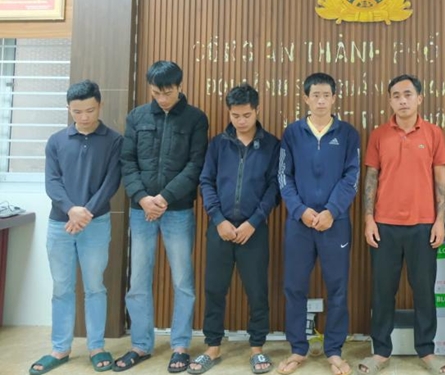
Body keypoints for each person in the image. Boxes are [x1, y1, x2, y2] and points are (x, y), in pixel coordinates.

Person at [115, 60, 209, 373]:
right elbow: (127, 161)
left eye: (167, 92)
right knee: (138, 280)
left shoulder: (196, 118)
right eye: (156, 93)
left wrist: (164, 197)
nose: (162, 98)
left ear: (180, 86)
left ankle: (180, 346)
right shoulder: (137, 116)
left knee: (183, 280)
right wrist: (143, 198)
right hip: (141, 210)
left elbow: (195, 165)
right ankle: (141, 345)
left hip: (177, 209)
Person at [358, 74, 445, 375]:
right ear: (390, 100)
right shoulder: (379, 135)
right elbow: (371, 178)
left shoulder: (434, 133)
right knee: (383, 292)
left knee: (424, 291)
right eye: (396, 95)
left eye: (408, 94)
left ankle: (426, 350)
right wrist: (368, 219)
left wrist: (440, 221)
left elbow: (441, 179)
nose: (402, 100)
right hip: (384, 226)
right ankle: (380, 351)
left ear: (419, 98)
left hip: (423, 225)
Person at [30, 80, 123, 375]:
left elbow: (111, 182)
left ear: (100, 105)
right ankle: (60, 348)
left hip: (96, 223)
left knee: (95, 287)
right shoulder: (56, 141)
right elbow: (52, 181)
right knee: (61, 288)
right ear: (69, 109)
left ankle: (96, 347)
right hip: (60, 224)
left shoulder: (114, 140)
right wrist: (72, 210)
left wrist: (86, 213)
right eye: (77, 111)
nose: (84, 117)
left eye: (90, 110)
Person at [188, 84, 280, 375]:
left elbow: (274, 187)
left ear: (257, 110)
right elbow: (206, 181)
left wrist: (254, 222)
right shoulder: (218, 144)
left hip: (254, 230)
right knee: (214, 289)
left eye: (246, 115)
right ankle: (212, 347)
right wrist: (218, 220)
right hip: (220, 229)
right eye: (235, 115)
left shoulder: (272, 145)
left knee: (257, 291)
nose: (241, 121)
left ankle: (257, 348)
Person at [277, 73, 360, 375]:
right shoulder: (292, 133)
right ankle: (298, 349)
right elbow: (283, 176)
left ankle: (334, 350)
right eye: (316, 95)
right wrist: (300, 210)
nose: (321, 101)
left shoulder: (347, 134)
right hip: (299, 224)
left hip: (334, 223)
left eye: (326, 95)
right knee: (294, 287)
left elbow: (352, 176)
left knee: (337, 288)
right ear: (306, 98)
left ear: (334, 98)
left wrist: (331, 211)